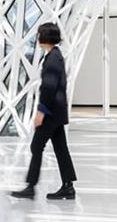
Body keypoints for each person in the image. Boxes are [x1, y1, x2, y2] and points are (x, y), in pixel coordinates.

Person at [11, 22, 76, 200]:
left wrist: (41, 111)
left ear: (46, 36)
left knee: (36, 146)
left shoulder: (53, 57)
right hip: (57, 111)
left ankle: (31, 187)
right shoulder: (55, 55)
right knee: (61, 148)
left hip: (51, 113)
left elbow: (49, 87)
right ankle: (68, 186)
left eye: (40, 34)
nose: (38, 37)